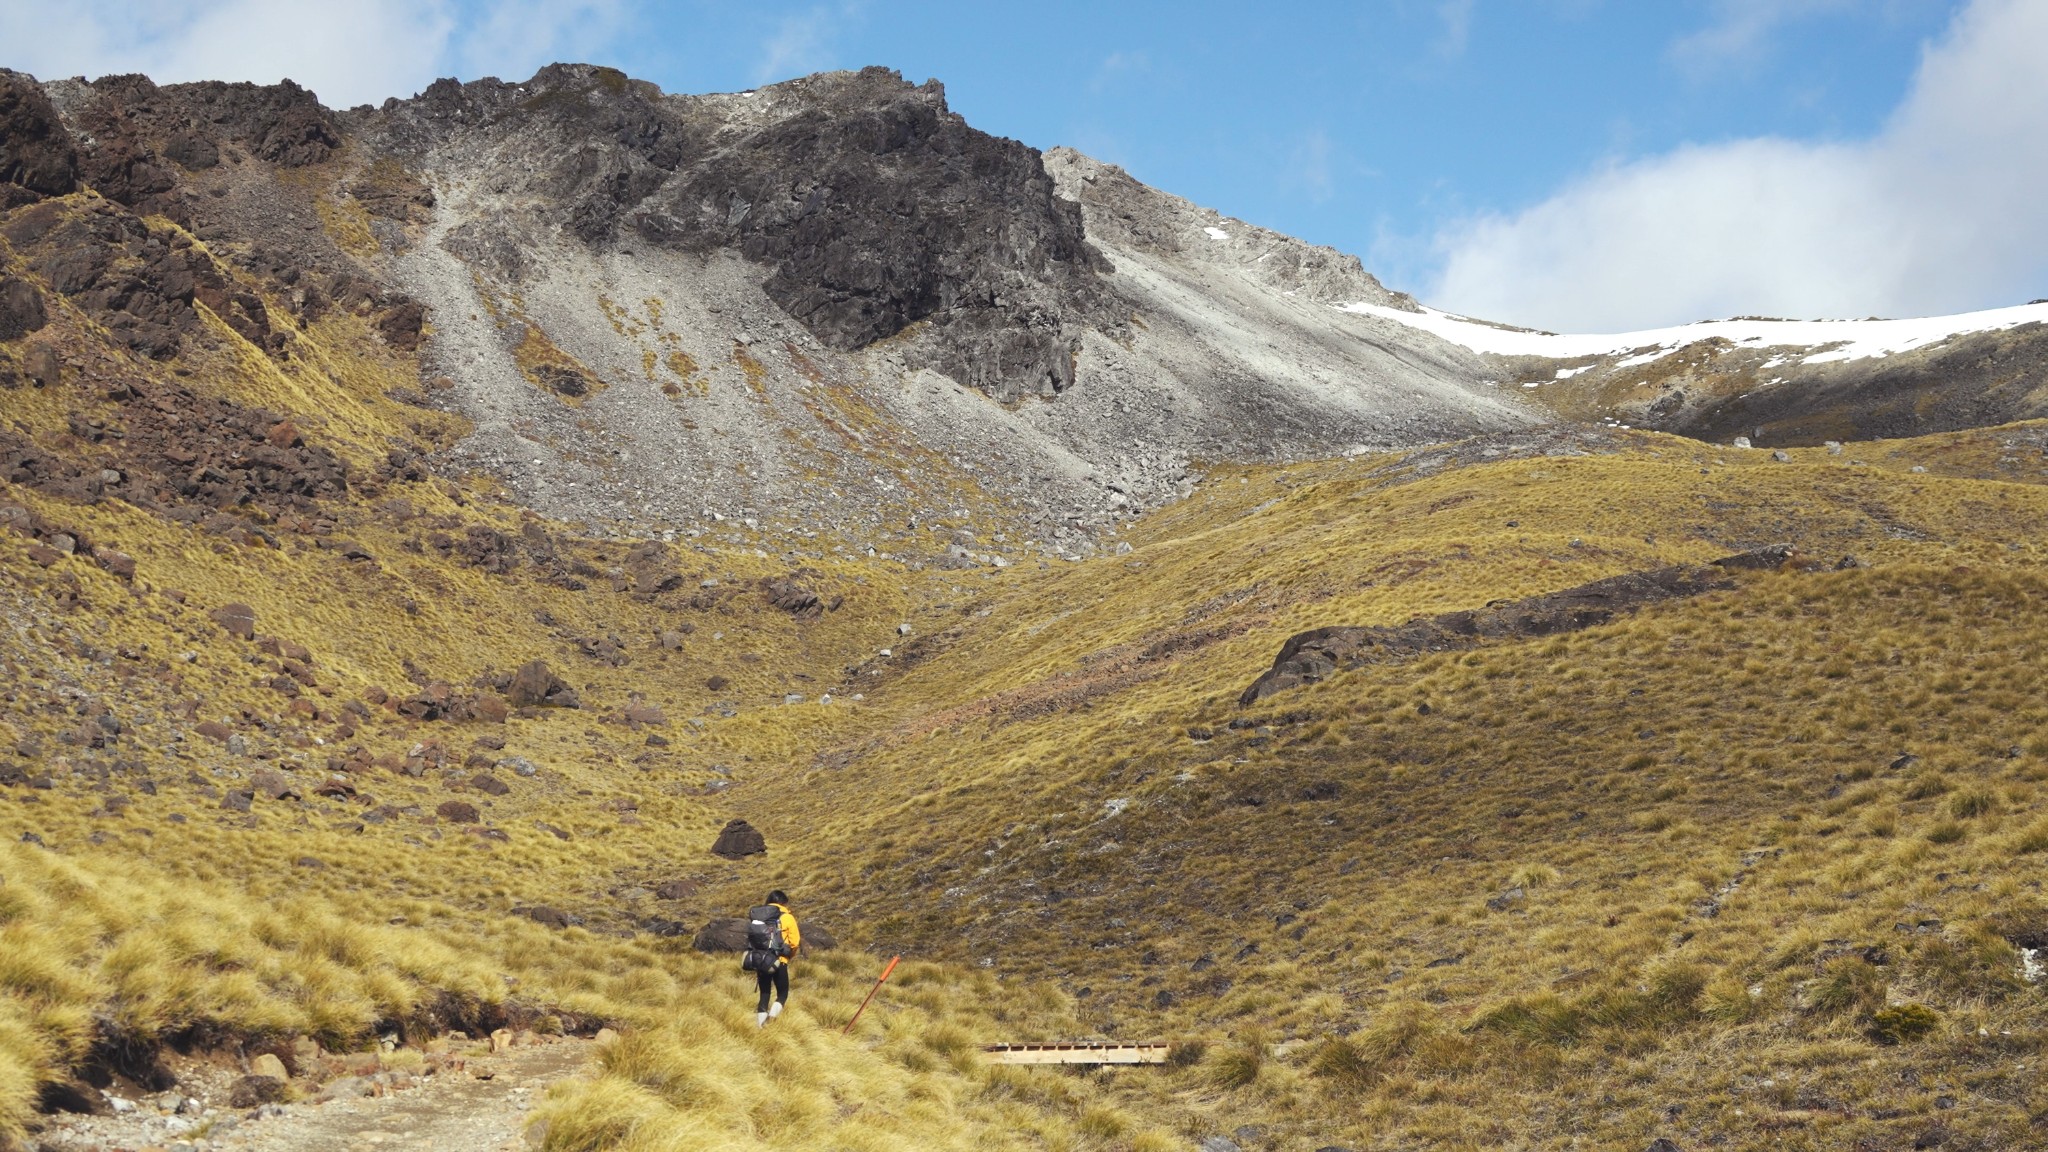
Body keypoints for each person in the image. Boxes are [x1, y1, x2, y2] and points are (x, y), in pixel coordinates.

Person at [755, 889, 800, 1027]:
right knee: (782, 994)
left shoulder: (758, 916)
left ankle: (760, 1029)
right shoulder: (787, 917)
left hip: (761, 960)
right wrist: (788, 956)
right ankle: (771, 1019)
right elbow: (795, 942)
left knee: (764, 994)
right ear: (783, 902)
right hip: (779, 960)